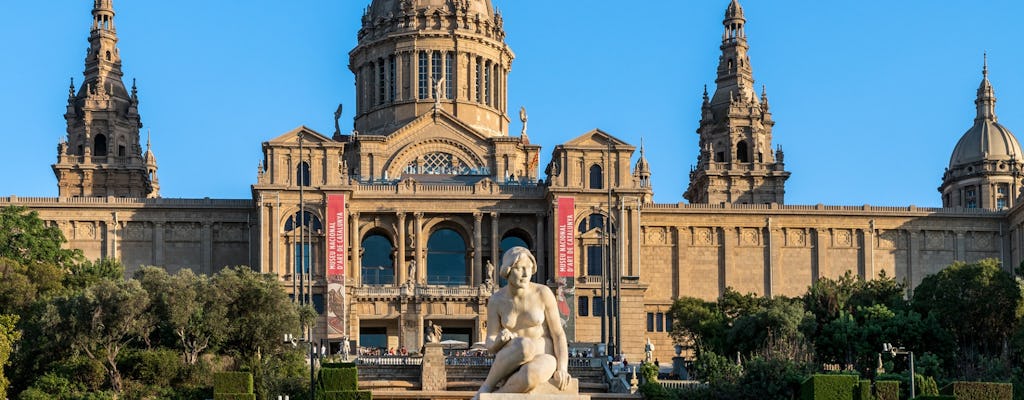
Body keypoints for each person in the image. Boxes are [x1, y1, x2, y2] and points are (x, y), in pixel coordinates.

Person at [472, 247, 571, 398]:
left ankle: (495, 396)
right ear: (507, 270)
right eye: (519, 269)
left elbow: (558, 334)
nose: (526, 274)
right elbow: (490, 344)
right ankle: (486, 387)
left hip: (544, 354)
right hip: (513, 356)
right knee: (524, 346)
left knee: (531, 374)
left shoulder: (543, 293)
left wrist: (563, 368)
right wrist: (498, 341)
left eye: (529, 268)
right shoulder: (496, 300)